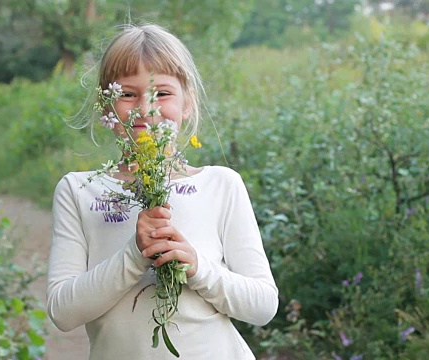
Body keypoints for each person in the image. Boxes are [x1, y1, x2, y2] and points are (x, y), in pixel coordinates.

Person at [46, 23, 279, 360]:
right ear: (107, 107)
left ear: (187, 104)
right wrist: (134, 255)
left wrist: (198, 267)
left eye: (162, 93)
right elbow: (62, 311)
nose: (146, 108)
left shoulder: (221, 185)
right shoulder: (79, 190)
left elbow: (262, 306)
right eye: (127, 94)